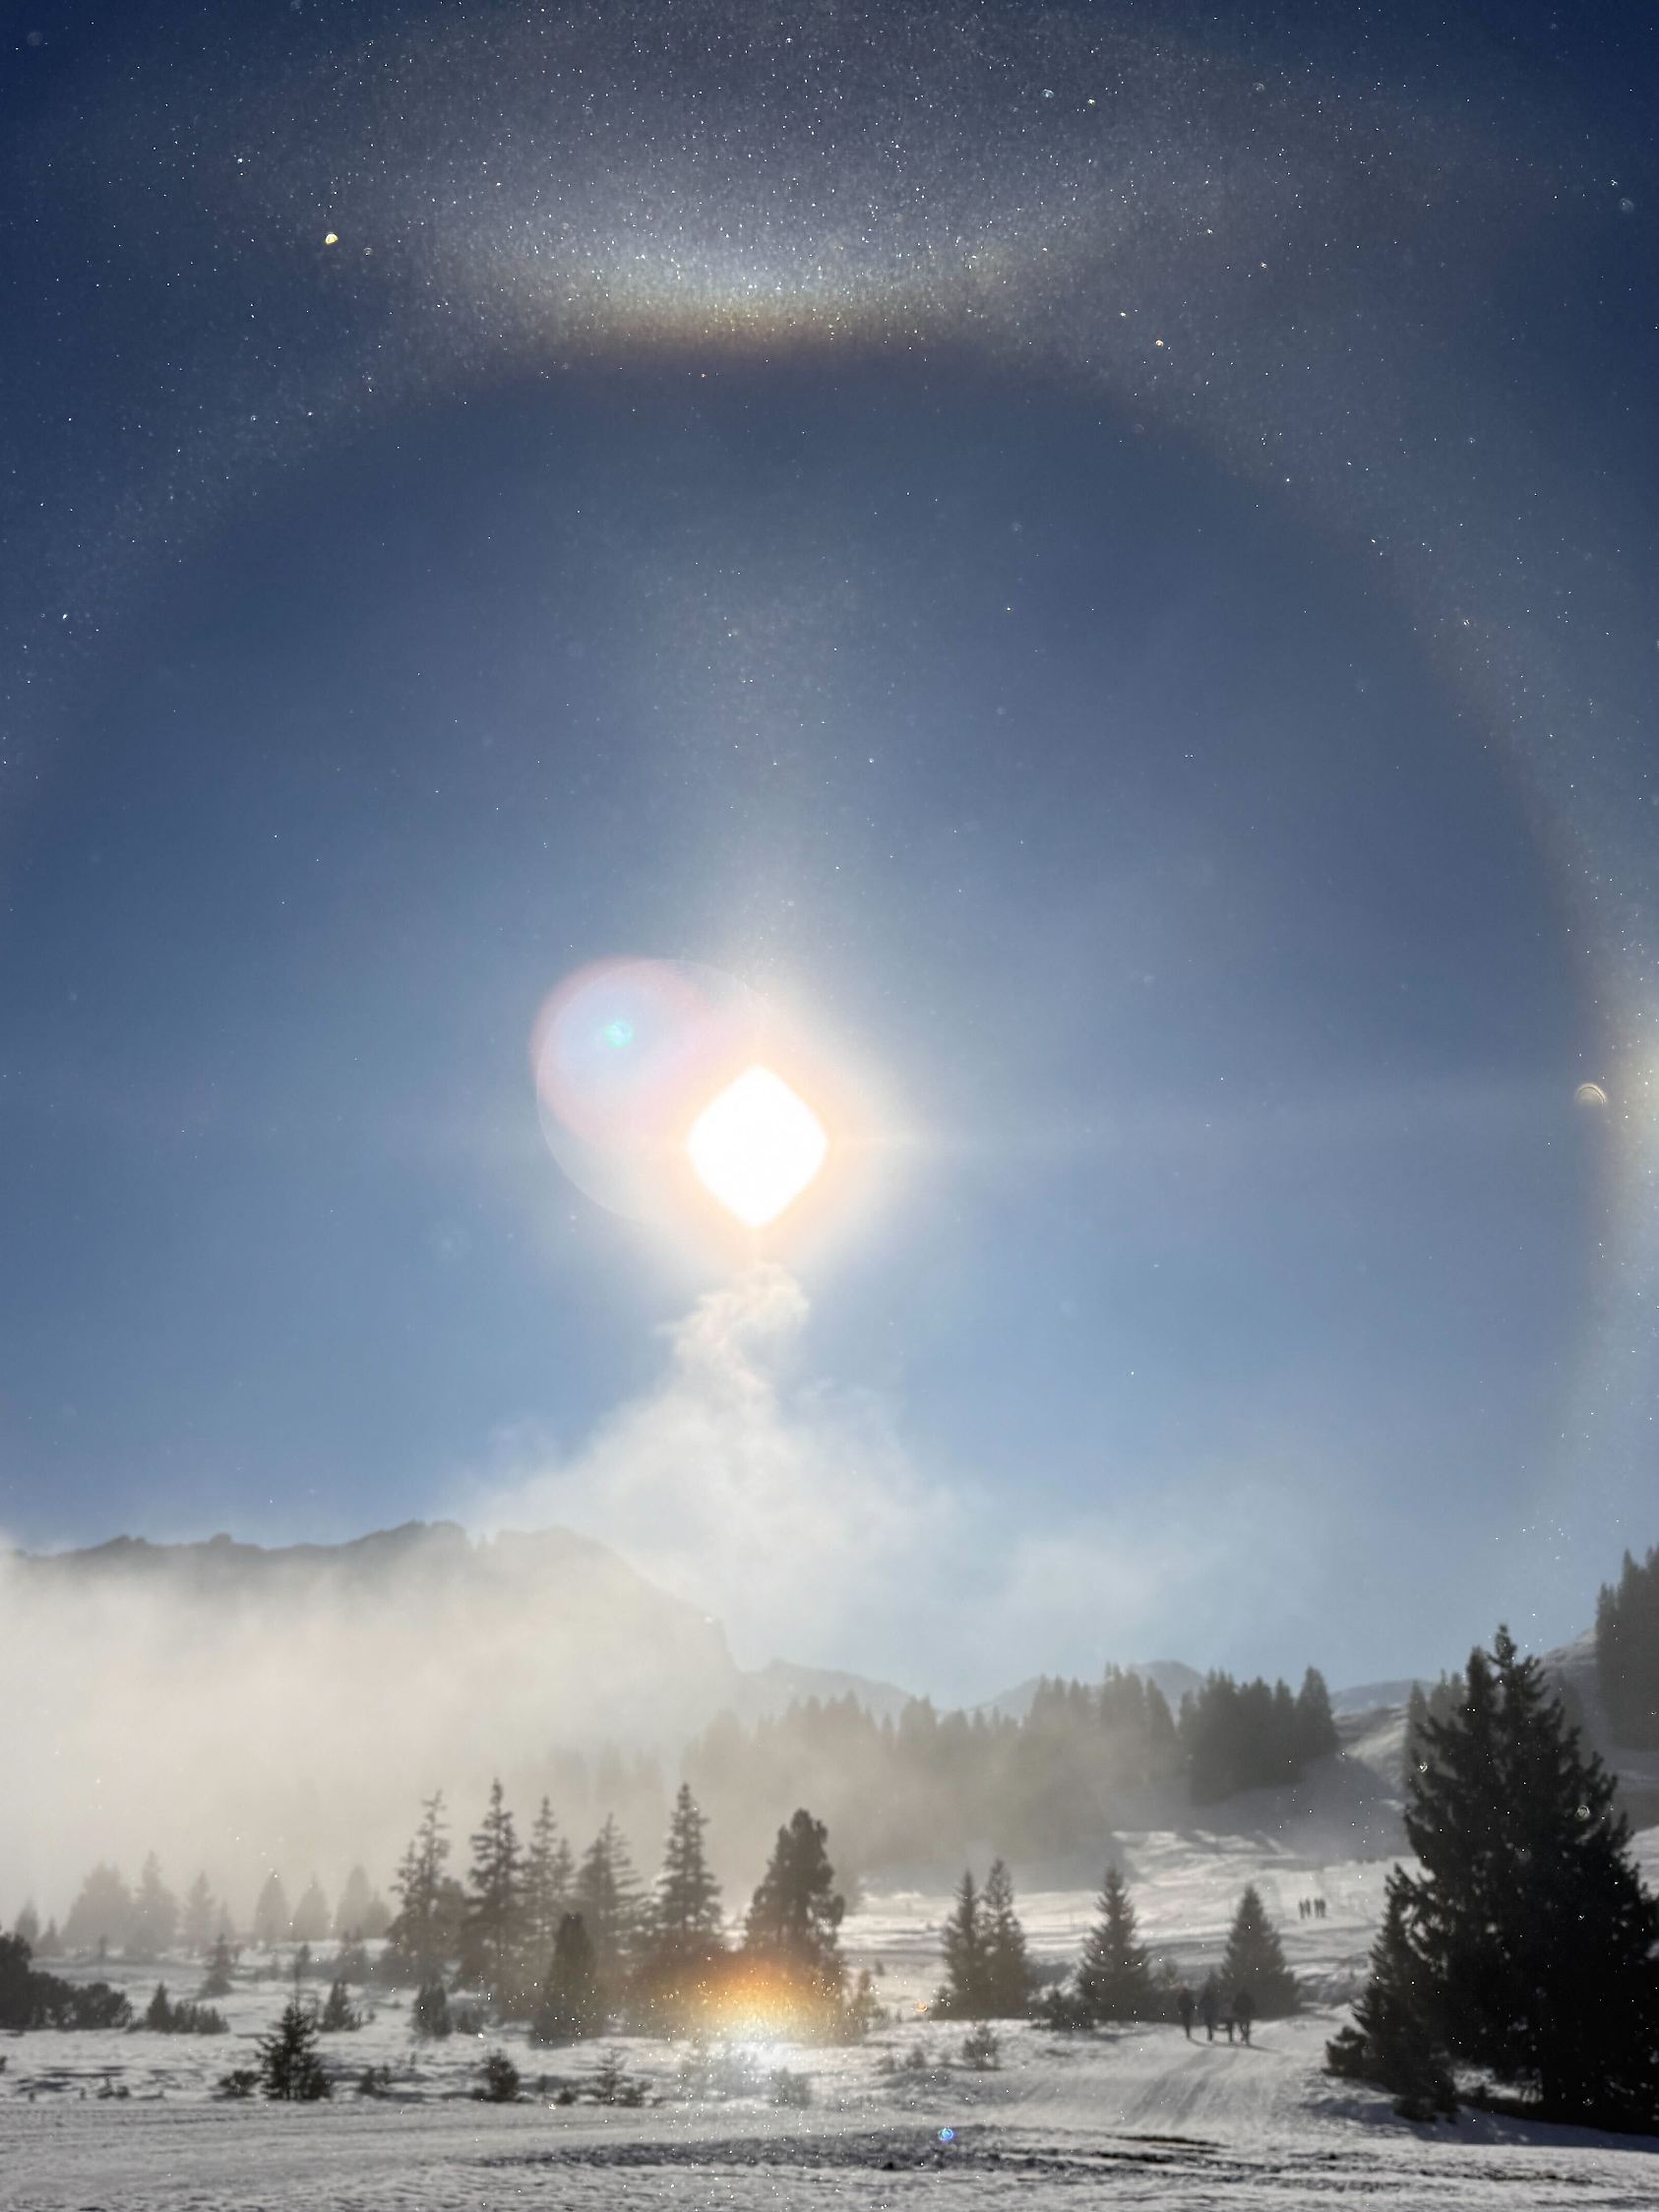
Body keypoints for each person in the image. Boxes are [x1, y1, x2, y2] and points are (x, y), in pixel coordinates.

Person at [1198, 1975, 1219, 2043]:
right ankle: (1210, 2032)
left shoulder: (1204, 1996)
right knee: (1210, 2023)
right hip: (1211, 2011)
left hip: (1206, 2012)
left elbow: (1200, 2003)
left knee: (1208, 2023)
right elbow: (1215, 2003)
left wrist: (1200, 2009)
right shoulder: (1212, 1996)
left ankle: (1210, 2033)